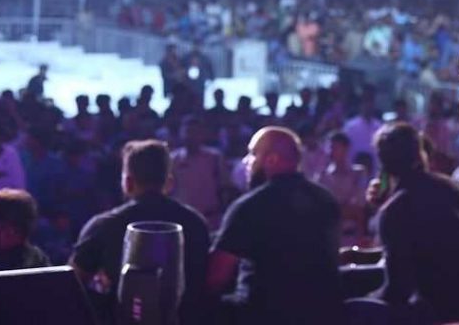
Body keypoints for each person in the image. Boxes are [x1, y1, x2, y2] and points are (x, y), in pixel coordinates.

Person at [207, 127, 342, 324]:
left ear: (271, 159)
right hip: (325, 314)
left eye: (253, 153)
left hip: (262, 315)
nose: (246, 162)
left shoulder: (250, 206)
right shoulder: (326, 199)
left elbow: (216, 277)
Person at [71, 140, 210, 324]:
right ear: (169, 183)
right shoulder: (196, 223)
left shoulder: (103, 225)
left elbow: (72, 284)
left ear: (128, 182)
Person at [367, 122, 459, 323]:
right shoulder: (450, 188)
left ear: (383, 165)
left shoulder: (396, 209)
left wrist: (365, 299)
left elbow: (397, 289)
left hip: (434, 312)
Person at [171, 115, 228, 229]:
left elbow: (224, 187)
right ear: (181, 134)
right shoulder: (174, 159)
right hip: (182, 218)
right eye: (188, 132)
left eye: (195, 132)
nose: (191, 136)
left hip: (210, 218)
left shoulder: (214, 157)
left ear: (202, 134)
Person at [314, 130, 367, 242]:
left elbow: (359, 208)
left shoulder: (358, 173)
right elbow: (321, 211)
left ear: (346, 148)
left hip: (352, 236)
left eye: (335, 147)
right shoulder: (322, 177)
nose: (331, 151)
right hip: (328, 238)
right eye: (329, 147)